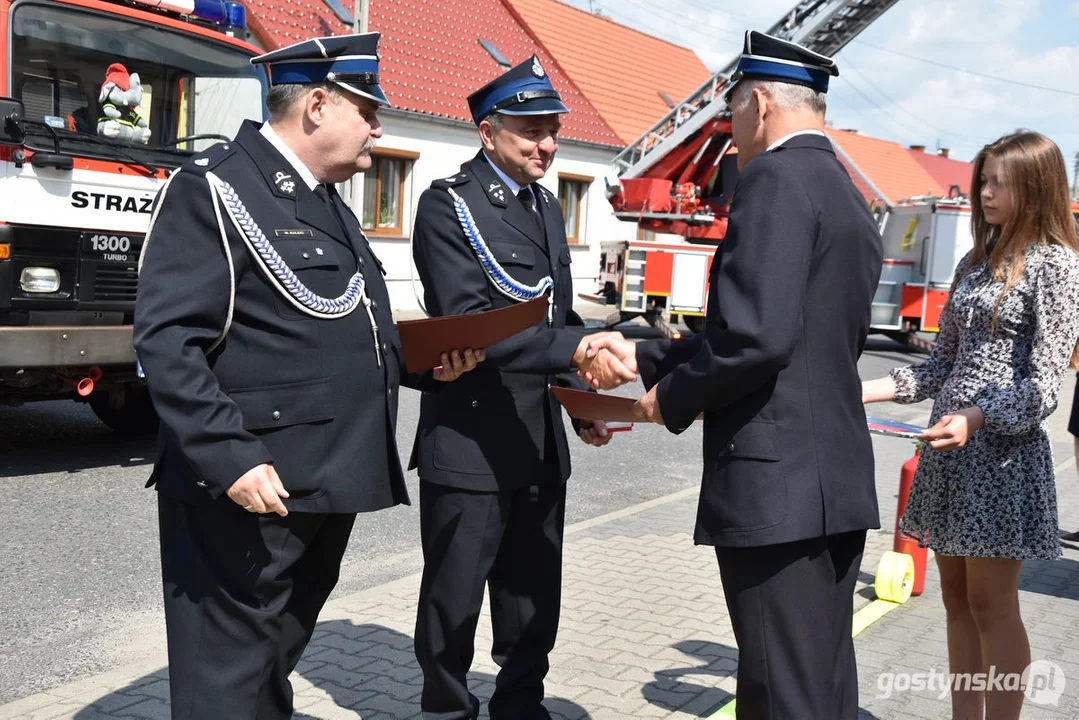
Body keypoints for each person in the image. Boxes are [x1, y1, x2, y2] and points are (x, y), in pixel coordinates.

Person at [133, 33, 483, 720]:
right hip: (249, 483)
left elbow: (344, 330)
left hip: (323, 480)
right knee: (224, 684)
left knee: (270, 668)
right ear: (317, 104)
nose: (379, 128)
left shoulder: (324, 202)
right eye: (367, 110)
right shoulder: (215, 187)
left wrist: (432, 369)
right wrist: (228, 456)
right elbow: (167, 339)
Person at [584, 31, 883, 719]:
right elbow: (797, 336)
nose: (728, 130)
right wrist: (646, 355)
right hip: (829, 479)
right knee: (821, 685)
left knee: (780, 694)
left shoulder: (774, 179)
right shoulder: (842, 188)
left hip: (775, 486)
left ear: (756, 103)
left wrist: (670, 396)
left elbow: (756, 338)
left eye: (731, 113)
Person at [408, 54, 634, 720]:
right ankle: (447, 709)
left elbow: (553, 315)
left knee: (532, 594)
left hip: (535, 439)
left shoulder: (542, 204)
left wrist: (577, 404)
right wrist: (580, 348)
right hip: (471, 439)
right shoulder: (446, 206)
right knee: (453, 598)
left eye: (552, 130)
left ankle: (519, 706)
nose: (547, 144)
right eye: (530, 131)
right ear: (488, 132)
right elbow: (472, 324)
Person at [862, 130, 1079, 720]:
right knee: (955, 600)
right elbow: (939, 364)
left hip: (1001, 458)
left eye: (999, 182)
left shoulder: (1057, 264)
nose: (985, 192)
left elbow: (1044, 388)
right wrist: (856, 393)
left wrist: (978, 418)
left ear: (1035, 188)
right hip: (949, 448)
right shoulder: (974, 261)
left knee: (993, 606)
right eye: (983, 178)